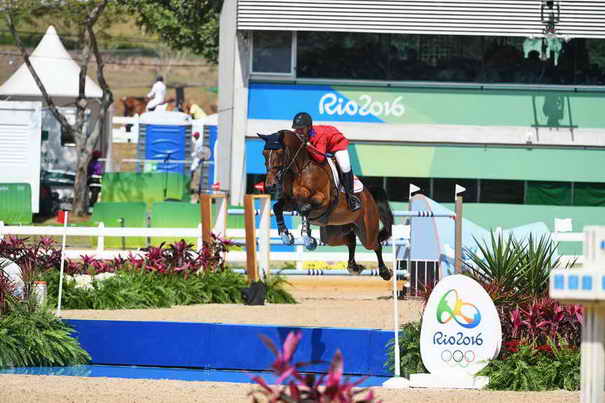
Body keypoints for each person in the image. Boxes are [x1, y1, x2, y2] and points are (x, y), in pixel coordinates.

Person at [291, 112, 361, 211]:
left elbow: (320, 158)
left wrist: (307, 146)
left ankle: (351, 198)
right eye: (296, 129)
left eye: (301, 129)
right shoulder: (298, 134)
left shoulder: (320, 135)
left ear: (308, 127)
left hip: (337, 146)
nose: (298, 131)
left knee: (345, 167)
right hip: (323, 148)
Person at [189, 132, 205, 196]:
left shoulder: (199, 143)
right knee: (193, 172)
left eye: (194, 136)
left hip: (197, 160)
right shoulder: (197, 142)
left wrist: (193, 155)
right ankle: (194, 188)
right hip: (196, 160)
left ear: (197, 136)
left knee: (195, 174)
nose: (194, 137)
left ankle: (196, 190)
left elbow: (198, 152)